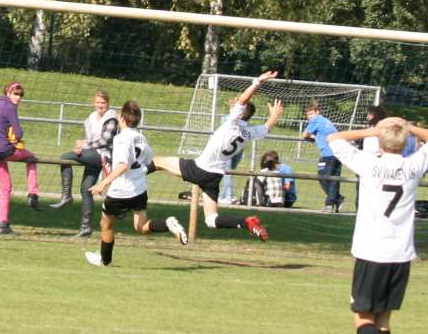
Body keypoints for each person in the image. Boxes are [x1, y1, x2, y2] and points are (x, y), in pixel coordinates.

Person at [328, 117, 428, 334]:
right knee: (383, 320)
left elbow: (334, 139)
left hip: (372, 251)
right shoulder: (413, 165)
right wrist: (409, 128)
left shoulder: (369, 164)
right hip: (401, 254)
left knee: (362, 319)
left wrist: (373, 130)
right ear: (405, 143)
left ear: (381, 142)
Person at [150, 71, 283, 242]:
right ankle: (246, 223)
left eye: (236, 104)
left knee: (157, 161)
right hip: (214, 176)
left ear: (240, 112)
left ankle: (130, 179)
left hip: (200, 169)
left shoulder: (232, 122)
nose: (234, 103)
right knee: (211, 220)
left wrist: (257, 82)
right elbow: (266, 128)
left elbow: (243, 100)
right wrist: (274, 115)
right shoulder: (249, 133)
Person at [85, 101, 187, 266]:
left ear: (121, 118)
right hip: (139, 190)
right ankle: (168, 224)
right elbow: (149, 159)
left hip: (120, 191)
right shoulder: (141, 137)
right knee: (142, 226)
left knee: (106, 223)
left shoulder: (121, 138)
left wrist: (103, 183)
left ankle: (105, 260)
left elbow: (122, 165)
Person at [49, 90, 120, 238]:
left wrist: (84, 145)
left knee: (65, 157)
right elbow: (92, 139)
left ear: (108, 103)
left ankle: (66, 195)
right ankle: (86, 227)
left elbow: (104, 141)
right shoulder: (92, 117)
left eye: (103, 102)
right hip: (93, 154)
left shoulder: (111, 118)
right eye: (98, 102)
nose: (100, 105)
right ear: (94, 103)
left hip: (104, 155)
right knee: (86, 189)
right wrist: (81, 146)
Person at [0, 82, 41, 235]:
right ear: (8, 93)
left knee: (6, 187)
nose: (18, 98)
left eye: (20, 95)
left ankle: (3, 224)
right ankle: (33, 194)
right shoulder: (10, 107)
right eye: (15, 94)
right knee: (32, 158)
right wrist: (16, 139)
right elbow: (19, 133)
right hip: (5, 150)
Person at [303, 101, 344, 213]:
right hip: (338, 154)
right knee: (333, 179)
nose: (309, 116)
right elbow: (322, 134)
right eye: (308, 114)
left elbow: (304, 135)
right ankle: (336, 201)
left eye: (311, 113)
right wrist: (316, 138)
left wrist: (310, 138)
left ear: (317, 112)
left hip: (328, 155)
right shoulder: (326, 121)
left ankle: (331, 203)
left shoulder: (316, 120)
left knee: (323, 177)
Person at [218, 96, 244, 205]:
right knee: (228, 173)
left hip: (238, 149)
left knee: (229, 172)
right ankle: (226, 197)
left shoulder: (242, 121)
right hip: (228, 149)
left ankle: (223, 196)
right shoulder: (226, 119)